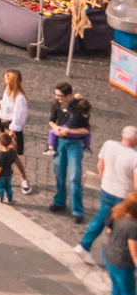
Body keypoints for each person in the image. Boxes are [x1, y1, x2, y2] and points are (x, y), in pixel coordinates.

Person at [85, 126, 137, 259]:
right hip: (123, 196)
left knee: (102, 218)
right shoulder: (135, 157)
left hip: (106, 190)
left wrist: (105, 180)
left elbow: (99, 165)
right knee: (114, 225)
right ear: (133, 139)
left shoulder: (109, 145)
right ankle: (101, 251)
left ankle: (86, 246)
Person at [52, 84, 95, 221]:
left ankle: (77, 210)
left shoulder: (79, 109)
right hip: (60, 142)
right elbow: (52, 121)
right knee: (59, 173)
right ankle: (59, 201)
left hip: (74, 145)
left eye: (60, 95)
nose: (57, 98)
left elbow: (86, 130)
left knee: (74, 177)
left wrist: (69, 131)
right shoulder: (56, 105)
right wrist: (55, 129)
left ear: (68, 96)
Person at [0, 69, 33, 196]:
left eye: (6, 77)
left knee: (13, 155)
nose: (4, 79)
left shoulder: (20, 98)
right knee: (2, 152)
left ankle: (24, 179)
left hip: (10, 127)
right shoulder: (8, 91)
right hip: (2, 124)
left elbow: (19, 116)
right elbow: (5, 104)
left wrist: (11, 133)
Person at [97, 190, 137, 295]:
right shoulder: (133, 226)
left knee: (118, 289)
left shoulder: (116, 213)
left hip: (107, 254)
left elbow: (109, 231)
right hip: (121, 262)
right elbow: (134, 253)